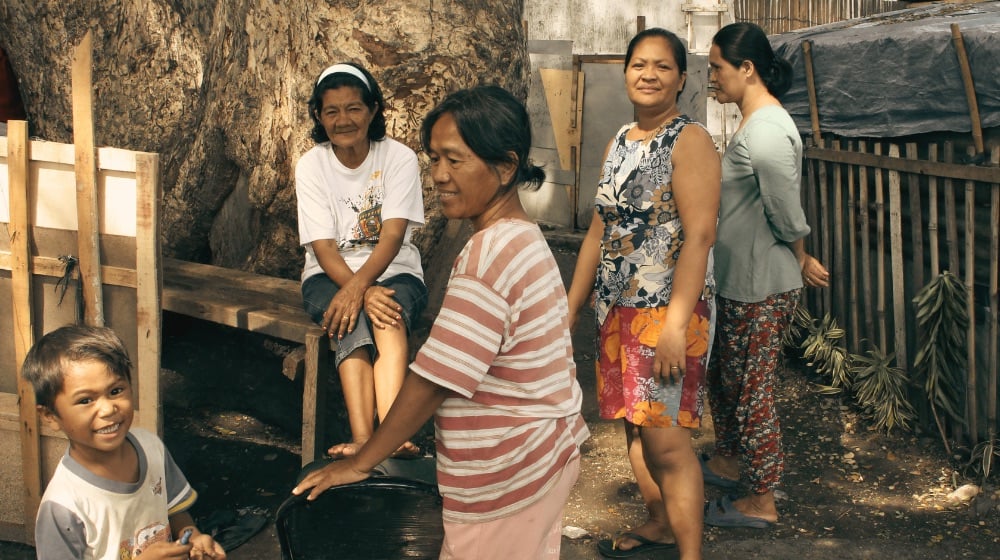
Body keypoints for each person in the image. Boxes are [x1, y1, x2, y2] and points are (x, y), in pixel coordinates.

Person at [293, 85, 590, 560]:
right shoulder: (522, 238)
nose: (439, 176)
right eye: (433, 160)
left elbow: (434, 379)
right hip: (541, 452)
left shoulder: (488, 256)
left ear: (506, 166)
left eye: (455, 160)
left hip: (508, 471)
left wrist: (364, 461)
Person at [567, 28, 720, 560]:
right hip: (615, 308)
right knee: (634, 428)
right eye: (638, 64)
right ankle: (658, 523)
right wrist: (569, 311)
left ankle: (690, 554)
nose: (648, 74)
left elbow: (700, 236)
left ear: (681, 77)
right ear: (625, 71)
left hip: (666, 311)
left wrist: (677, 326)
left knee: (667, 440)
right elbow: (597, 231)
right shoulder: (619, 140)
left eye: (661, 66)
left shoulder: (690, 140)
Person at [700, 22, 829, 529]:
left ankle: (762, 498)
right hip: (740, 279)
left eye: (717, 68)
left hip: (761, 284)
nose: (712, 77)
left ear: (747, 69)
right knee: (728, 380)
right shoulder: (753, 123)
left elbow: (784, 209)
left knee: (754, 392)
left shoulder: (770, 129)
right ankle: (731, 460)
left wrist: (799, 254)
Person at [296, 61, 428, 459]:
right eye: (331, 111)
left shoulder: (398, 158)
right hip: (328, 275)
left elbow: (392, 235)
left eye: (354, 108)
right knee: (346, 315)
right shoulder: (312, 165)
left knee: (384, 310)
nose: (343, 120)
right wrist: (356, 292)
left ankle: (389, 431)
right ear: (319, 116)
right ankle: (364, 439)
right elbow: (323, 248)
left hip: (396, 271)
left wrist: (363, 289)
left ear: (372, 110)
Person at [22, 324, 226, 560]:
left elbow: (175, 511)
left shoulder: (151, 448)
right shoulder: (63, 507)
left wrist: (193, 539)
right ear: (50, 416)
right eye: (85, 400)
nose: (108, 409)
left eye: (116, 390)